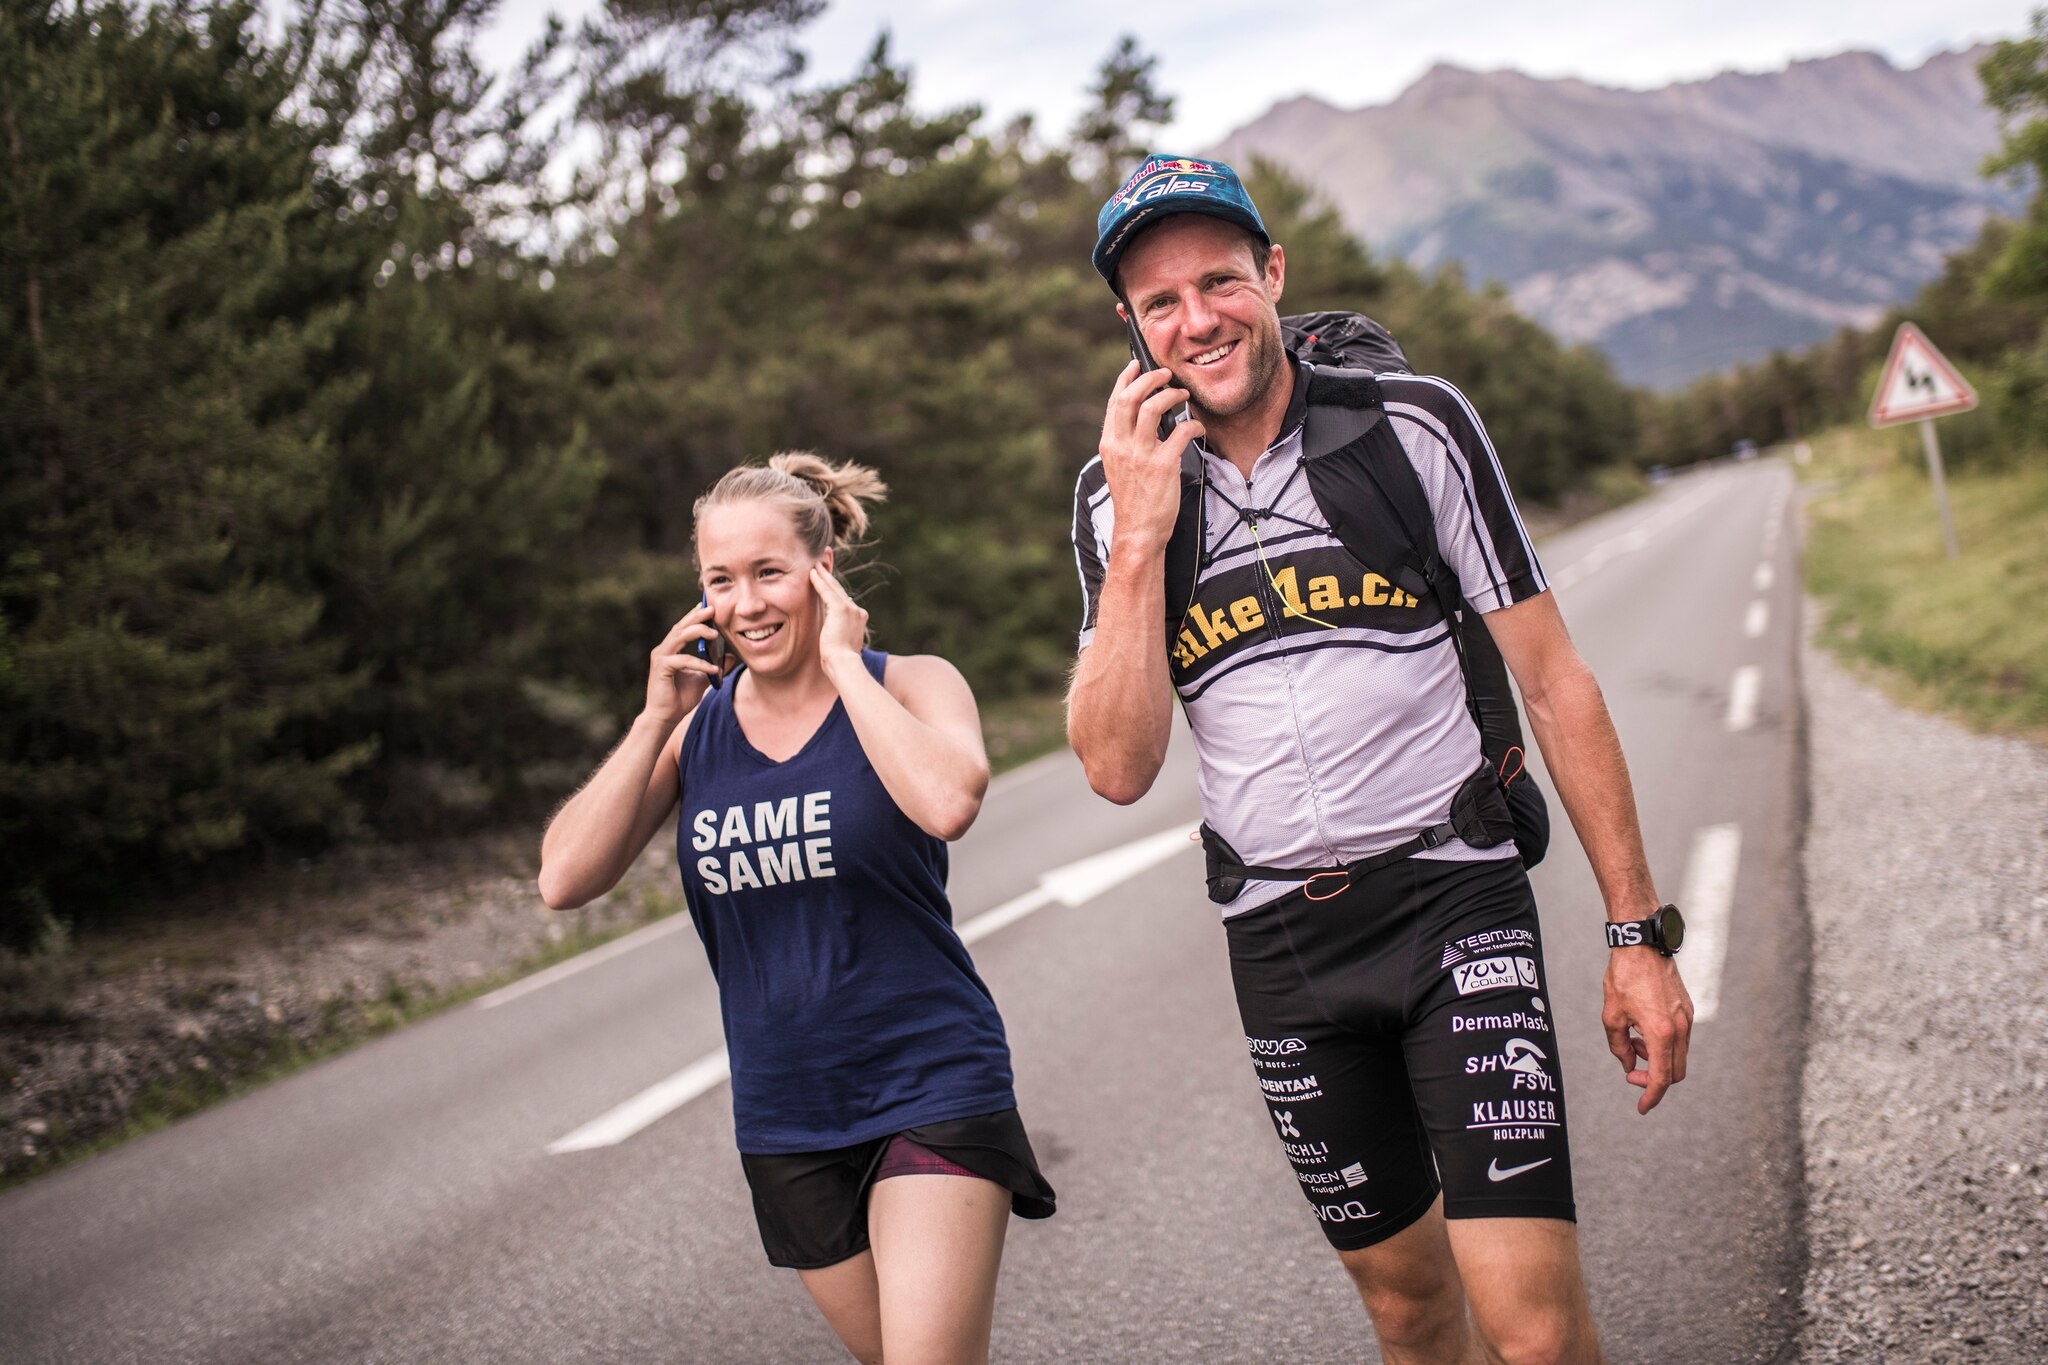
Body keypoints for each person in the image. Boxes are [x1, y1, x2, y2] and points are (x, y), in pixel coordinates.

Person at [1066, 155, 1693, 1364]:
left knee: (1532, 1336)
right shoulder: (1109, 497)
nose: (1196, 319)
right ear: (1130, 326)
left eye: (1219, 281)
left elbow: (1556, 684)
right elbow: (1112, 765)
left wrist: (1635, 937)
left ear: (1272, 275)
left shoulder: (1413, 426)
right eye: (1160, 302)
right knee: (1407, 1311)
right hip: (1282, 944)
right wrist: (1141, 537)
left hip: (1451, 900)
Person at [539, 453, 1054, 1365]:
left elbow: (949, 802)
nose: (746, 604)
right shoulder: (697, 732)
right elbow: (565, 880)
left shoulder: (911, 683)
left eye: (768, 571)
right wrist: (654, 718)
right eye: (719, 580)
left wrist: (845, 667)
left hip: (929, 1080)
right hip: (788, 1114)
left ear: (823, 568)